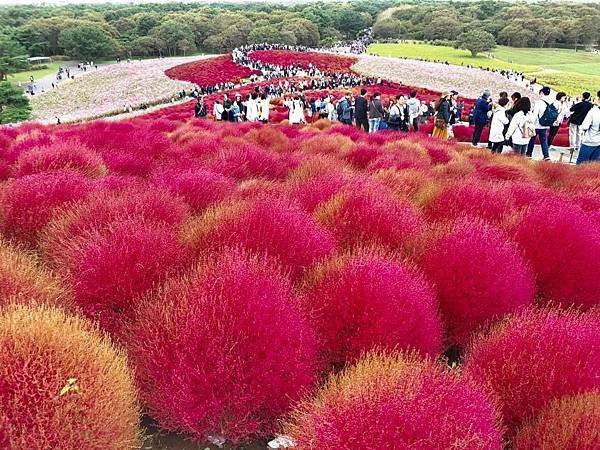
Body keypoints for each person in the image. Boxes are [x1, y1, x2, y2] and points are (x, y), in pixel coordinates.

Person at [526, 86, 554, 160]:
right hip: (545, 125)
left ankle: (528, 154)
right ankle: (546, 156)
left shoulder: (539, 102)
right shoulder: (551, 102)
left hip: (536, 125)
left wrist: (530, 122)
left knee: (532, 140)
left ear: (541, 92)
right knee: (544, 141)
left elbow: (535, 115)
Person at [576, 91, 600, 164]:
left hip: (589, 143)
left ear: (599, 99)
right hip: (599, 144)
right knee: (592, 168)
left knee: (580, 167)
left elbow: (585, 126)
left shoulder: (594, 112)